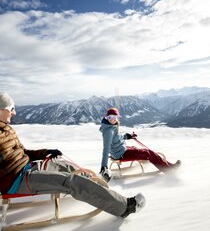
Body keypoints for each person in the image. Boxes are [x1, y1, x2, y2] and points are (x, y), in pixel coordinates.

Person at [0, 92, 145, 219]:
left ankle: (95, 184)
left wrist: (46, 152)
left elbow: (24, 152)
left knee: (65, 165)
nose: (14, 113)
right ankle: (125, 207)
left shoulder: (7, 128)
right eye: (11, 109)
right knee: (71, 181)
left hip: (29, 167)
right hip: (18, 181)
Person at [99, 107, 181, 182]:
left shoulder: (111, 127)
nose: (113, 119)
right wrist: (104, 167)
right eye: (110, 117)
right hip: (120, 154)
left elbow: (119, 136)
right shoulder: (109, 131)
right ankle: (168, 171)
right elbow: (106, 149)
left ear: (117, 118)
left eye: (115, 117)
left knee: (138, 149)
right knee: (147, 153)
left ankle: (170, 165)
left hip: (121, 150)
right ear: (107, 118)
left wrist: (129, 136)